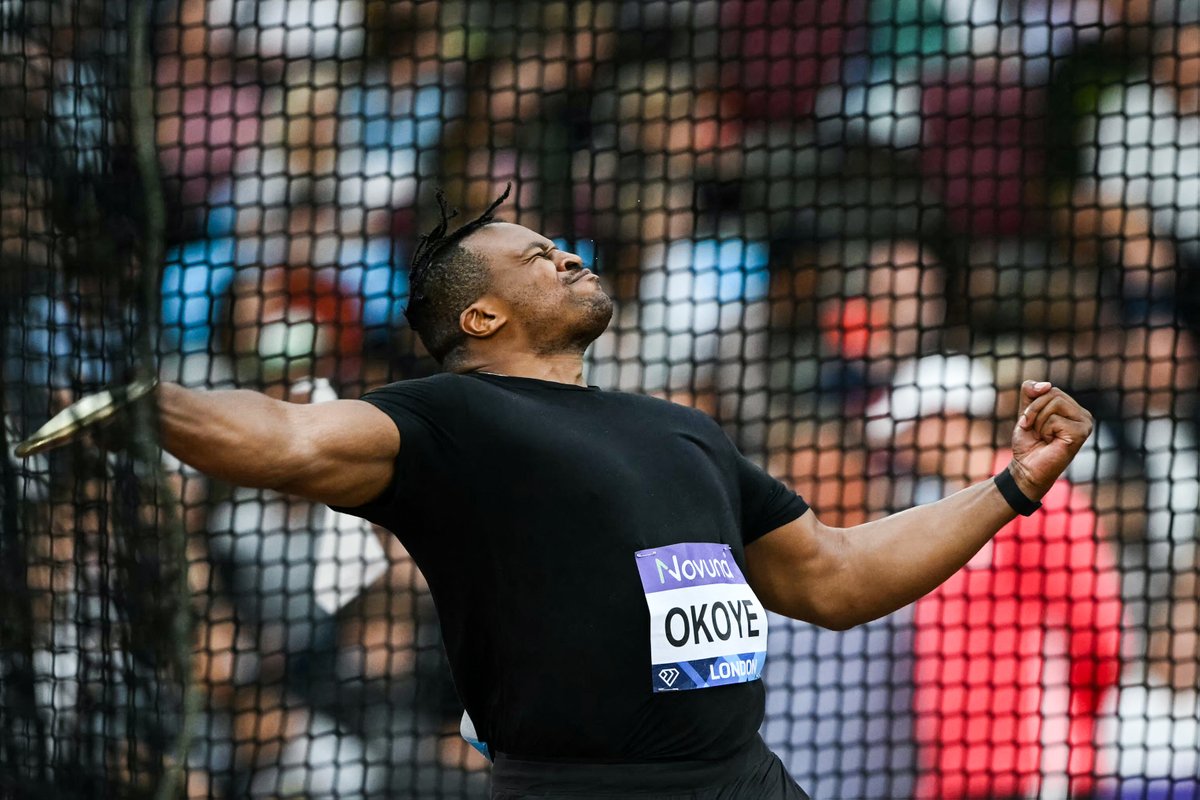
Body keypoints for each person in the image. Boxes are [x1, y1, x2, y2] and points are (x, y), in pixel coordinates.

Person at [46, 187, 1095, 799]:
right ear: (485, 319)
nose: (568, 254)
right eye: (538, 257)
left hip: (745, 777)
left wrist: (1010, 485)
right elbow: (281, 435)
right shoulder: (446, 419)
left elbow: (837, 574)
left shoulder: (681, 428)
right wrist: (139, 397)